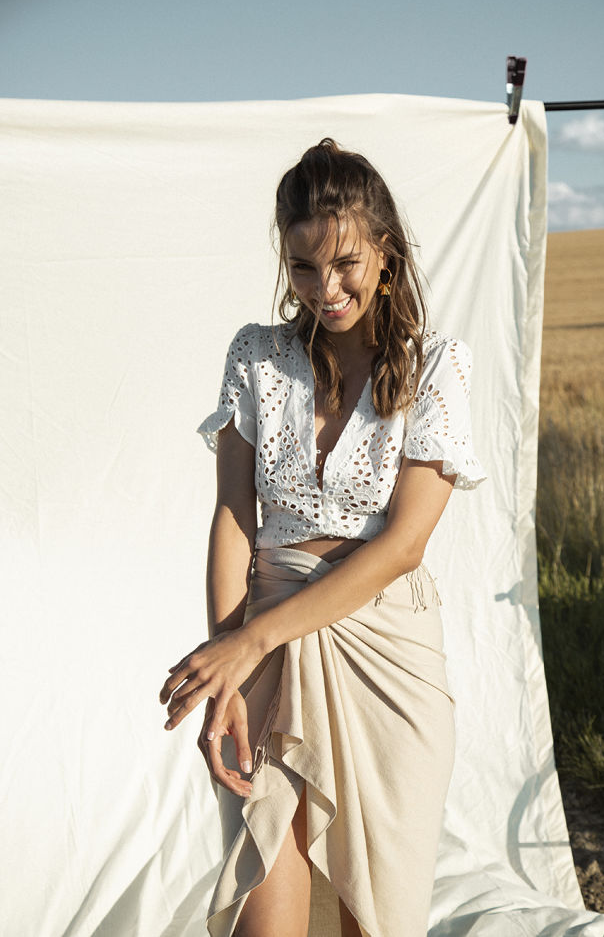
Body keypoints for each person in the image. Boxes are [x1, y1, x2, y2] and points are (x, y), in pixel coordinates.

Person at [159, 138, 486, 937]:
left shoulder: (436, 366)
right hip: (263, 649)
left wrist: (247, 641)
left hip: (389, 660)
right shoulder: (256, 355)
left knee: (369, 920)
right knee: (263, 910)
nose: (324, 289)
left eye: (344, 263)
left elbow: (402, 545)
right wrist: (230, 664)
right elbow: (233, 515)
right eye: (302, 267)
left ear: (386, 251)